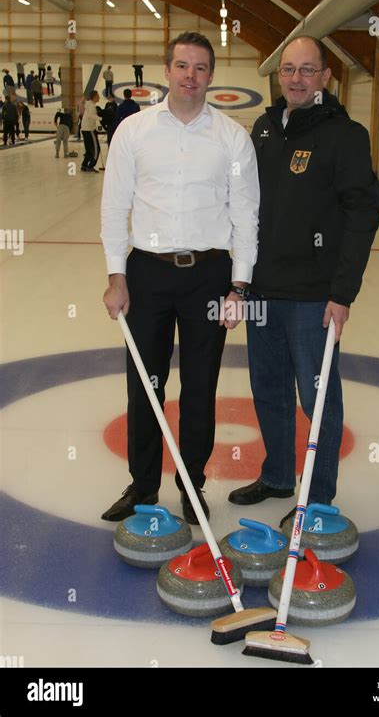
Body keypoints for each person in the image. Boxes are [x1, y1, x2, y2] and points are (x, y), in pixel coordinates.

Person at [100, 31, 259, 524]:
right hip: (146, 273)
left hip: (209, 277)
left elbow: (246, 215)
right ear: (167, 71)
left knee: (199, 387)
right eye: (182, 66)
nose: (191, 76)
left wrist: (239, 286)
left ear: (212, 76)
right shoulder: (134, 132)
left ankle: (192, 487)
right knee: (144, 385)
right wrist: (116, 275)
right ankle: (143, 487)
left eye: (201, 67)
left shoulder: (232, 137)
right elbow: (114, 206)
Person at [228, 36, 379, 522]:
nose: (295, 78)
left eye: (307, 70)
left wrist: (343, 293)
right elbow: (246, 208)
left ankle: (317, 497)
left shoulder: (346, 135)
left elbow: (362, 218)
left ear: (325, 77)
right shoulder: (265, 130)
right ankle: (277, 475)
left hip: (314, 297)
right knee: (268, 387)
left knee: (318, 397)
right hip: (263, 292)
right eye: (288, 69)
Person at [80, 91, 101, 172]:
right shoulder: (91, 106)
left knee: (89, 149)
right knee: (96, 149)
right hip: (89, 130)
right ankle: (91, 165)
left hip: (85, 129)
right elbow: (91, 116)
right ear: (95, 96)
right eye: (98, 96)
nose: (99, 97)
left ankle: (84, 165)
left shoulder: (89, 104)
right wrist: (101, 118)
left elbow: (84, 102)